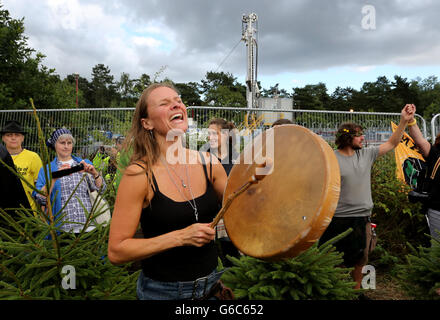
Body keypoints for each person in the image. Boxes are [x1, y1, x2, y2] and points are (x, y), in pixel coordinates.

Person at [108, 83, 231, 300]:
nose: (176, 105)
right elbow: (117, 251)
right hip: (161, 293)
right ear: (146, 123)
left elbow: (242, 211)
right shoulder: (138, 175)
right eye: (165, 103)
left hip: (211, 289)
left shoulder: (209, 163)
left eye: (178, 101)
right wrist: (181, 237)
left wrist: (254, 179)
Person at [319, 104, 414, 290]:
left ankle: (356, 293)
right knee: (334, 260)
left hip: (362, 218)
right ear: (347, 137)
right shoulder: (330, 158)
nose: (363, 138)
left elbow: (393, 143)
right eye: (359, 135)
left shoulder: (367, 155)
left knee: (360, 259)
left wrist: (403, 120)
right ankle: (335, 292)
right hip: (336, 218)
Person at [33, 128, 106, 234]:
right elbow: (40, 199)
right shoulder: (46, 170)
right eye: (62, 143)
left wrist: (95, 173)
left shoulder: (83, 164)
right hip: (62, 230)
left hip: (89, 226)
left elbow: (101, 190)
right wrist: (54, 178)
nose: (66, 146)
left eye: (69, 143)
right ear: (55, 145)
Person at [207, 118, 241, 266]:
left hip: (230, 213)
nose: (210, 137)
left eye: (215, 134)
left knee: (231, 255)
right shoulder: (204, 157)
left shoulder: (237, 159)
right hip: (208, 213)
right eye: (209, 134)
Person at [406, 104, 440, 242]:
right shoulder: (435, 153)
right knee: (437, 249)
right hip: (438, 209)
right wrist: (411, 120)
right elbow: (419, 140)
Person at [1, 120, 43, 212]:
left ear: (22, 138)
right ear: (3, 138)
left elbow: (41, 186)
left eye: (17, 135)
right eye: (9, 135)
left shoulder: (33, 157)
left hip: (28, 213)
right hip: (4, 213)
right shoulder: (1, 157)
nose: (13, 138)